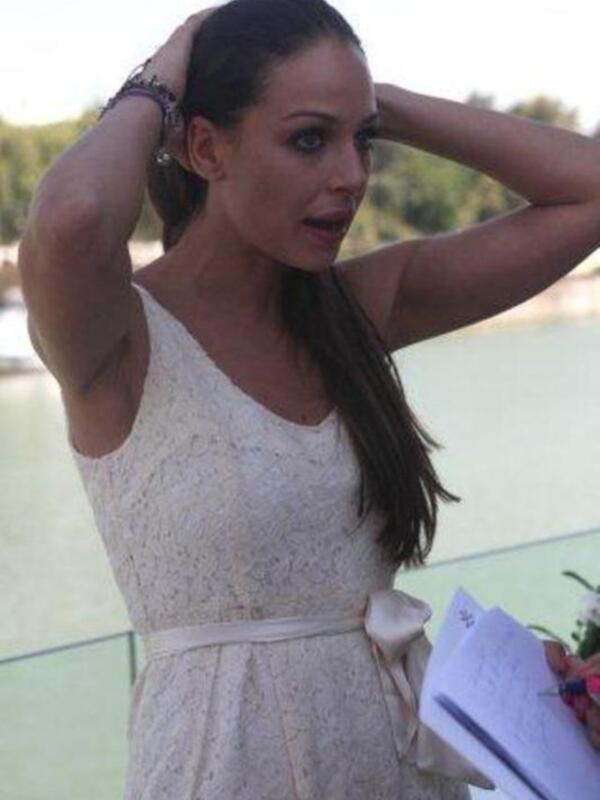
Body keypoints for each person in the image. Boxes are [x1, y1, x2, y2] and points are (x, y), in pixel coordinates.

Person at [17, 0, 600, 796]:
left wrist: (371, 102)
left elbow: (588, 194)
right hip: (222, 771)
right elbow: (74, 220)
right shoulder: (119, 341)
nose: (353, 175)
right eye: (307, 139)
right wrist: (164, 74)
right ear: (203, 146)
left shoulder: (358, 310)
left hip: (398, 771)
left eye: (359, 142)